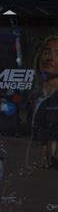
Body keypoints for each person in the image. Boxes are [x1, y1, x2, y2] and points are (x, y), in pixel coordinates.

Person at [32, 36, 58, 169]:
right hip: (42, 125)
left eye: (57, 53)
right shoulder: (33, 91)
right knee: (43, 143)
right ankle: (46, 162)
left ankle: (52, 160)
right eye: (46, 52)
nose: (49, 58)